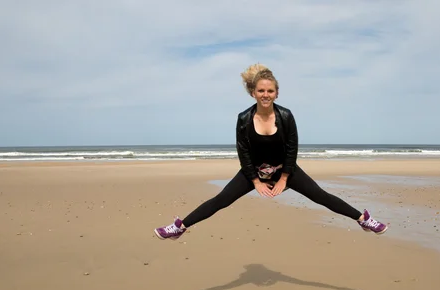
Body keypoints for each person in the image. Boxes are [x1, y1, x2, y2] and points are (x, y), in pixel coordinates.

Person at [154, 63, 388, 240]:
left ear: (277, 93)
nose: (265, 95)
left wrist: (284, 178)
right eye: (261, 91)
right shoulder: (244, 119)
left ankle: (363, 219)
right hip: (254, 171)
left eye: (270, 91)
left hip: (285, 169)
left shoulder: (285, 116)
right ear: (253, 93)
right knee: (221, 199)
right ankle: (179, 227)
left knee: (320, 196)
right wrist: (255, 181)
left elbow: (292, 149)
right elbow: (243, 153)